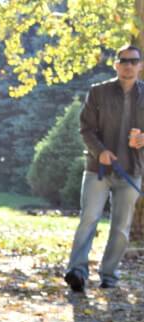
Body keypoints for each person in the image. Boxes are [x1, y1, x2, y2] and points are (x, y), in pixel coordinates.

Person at [65, 44, 144, 292]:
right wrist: (101, 152)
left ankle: (109, 275)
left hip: (131, 170)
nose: (128, 65)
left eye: (133, 61)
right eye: (124, 60)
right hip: (97, 170)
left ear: (140, 65)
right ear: (116, 65)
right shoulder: (97, 92)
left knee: (121, 227)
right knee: (88, 219)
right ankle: (76, 272)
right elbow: (85, 128)